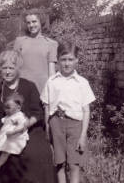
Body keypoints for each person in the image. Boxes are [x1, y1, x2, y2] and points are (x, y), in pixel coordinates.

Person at [0, 49, 56, 183]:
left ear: (18, 68)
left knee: (37, 153)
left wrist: (24, 125)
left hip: (30, 129)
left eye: (11, 67)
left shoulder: (29, 86)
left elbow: (37, 112)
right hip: (4, 131)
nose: (8, 71)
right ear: (0, 69)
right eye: (4, 68)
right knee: (0, 154)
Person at [40, 41, 96, 183]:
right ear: (58, 60)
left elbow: (86, 110)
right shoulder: (52, 81)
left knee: (74, 164)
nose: (66, 63)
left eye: (70, 59)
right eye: (63, 59)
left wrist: (83, 135)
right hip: (56, 123)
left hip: (75, 125)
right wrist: (47, 126)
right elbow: (46, 105)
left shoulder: (82, 82)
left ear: (76, 60)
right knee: (59, 162)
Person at [13, 8, 58, 93]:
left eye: (34, 21)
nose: (31, 25)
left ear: (41, 22)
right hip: (23, 88)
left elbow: (52, 73)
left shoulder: (51, 44)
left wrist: (52, 93)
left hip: (42, 89)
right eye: (28, 23)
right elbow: (15, 67)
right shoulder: (19, 41)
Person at [0, 93, 29, 176]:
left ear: (18, 108)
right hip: (6, 134)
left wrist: (14, 131)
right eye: (5, 108)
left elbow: (22, 126)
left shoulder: (19, 116)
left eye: (9, 108)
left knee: (6, 150)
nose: (6, 110)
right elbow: (2, 124)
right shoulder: (8, 116)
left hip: (16, 137)